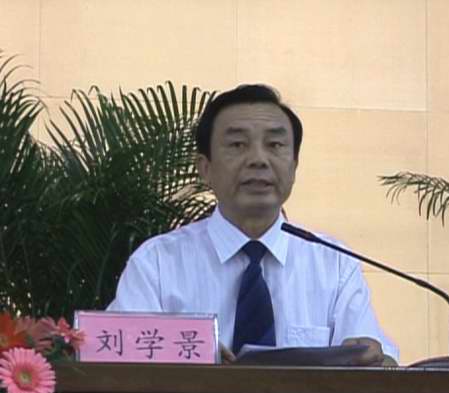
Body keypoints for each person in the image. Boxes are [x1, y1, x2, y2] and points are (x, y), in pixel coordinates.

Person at [108, 84, 398, 366]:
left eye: (275, 145)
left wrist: (377, 359)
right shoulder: (157, 263)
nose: (258, 160)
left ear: (294, 166)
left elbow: (375, 358)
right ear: (205, 168)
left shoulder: (334, 264)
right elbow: (115, 356)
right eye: (237, 145)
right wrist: (187, 356)